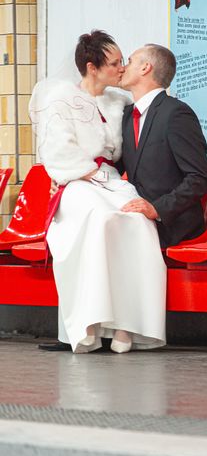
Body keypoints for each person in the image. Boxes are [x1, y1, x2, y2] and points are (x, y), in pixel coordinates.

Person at [30, 30, 167, 354]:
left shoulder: (119, 102)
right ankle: (89, 322)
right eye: (115, 63)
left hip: (109, 180)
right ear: (93, 67)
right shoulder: (59, 98)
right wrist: (87, 173)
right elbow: (57, 151)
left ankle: (127, 324)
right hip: (76, 182)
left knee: (136, 219)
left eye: (123, 62)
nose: (122, 68)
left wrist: (106, 177)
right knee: (99, 217)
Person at [118, 44, 207, 249]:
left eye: (130, 61)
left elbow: (199, 178)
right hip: (136, 222)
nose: (123, 68)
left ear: (145, 68)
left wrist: (156, 209)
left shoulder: (176, 113)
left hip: (170, 227)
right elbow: (114, 169)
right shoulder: (125, 116)